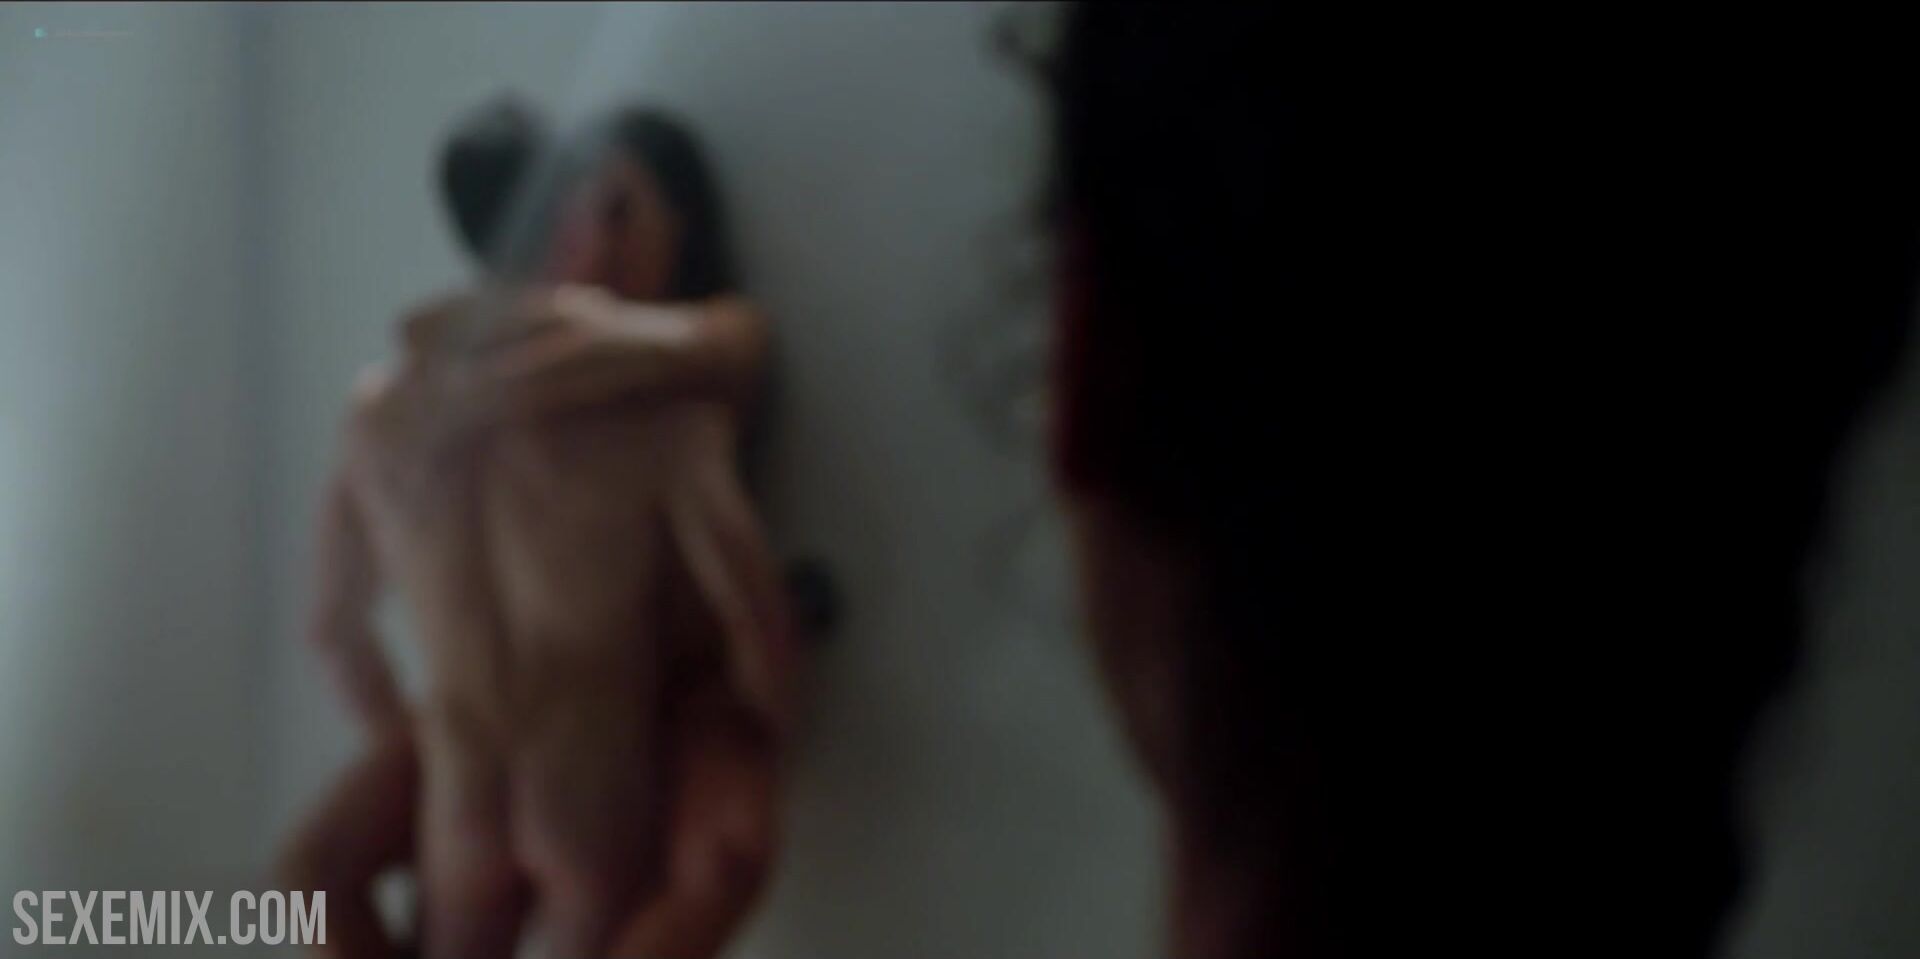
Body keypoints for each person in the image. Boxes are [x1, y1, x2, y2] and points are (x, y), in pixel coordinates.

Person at [289, 7, 1920, 958]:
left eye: (618, 208)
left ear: (1088, 376)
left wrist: (720, 679)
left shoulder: (550, 409)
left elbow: (404, 617)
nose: (583, 240)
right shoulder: (490, 410)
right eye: (572, 211)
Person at [280, 102, 798, 959]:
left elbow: (332, 632)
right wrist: (768, 722)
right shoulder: (666, 416)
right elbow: (756, 616)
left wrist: (427, 736)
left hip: (461, 795)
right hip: (588, 782)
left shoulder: (385, 413)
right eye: (600, 207)